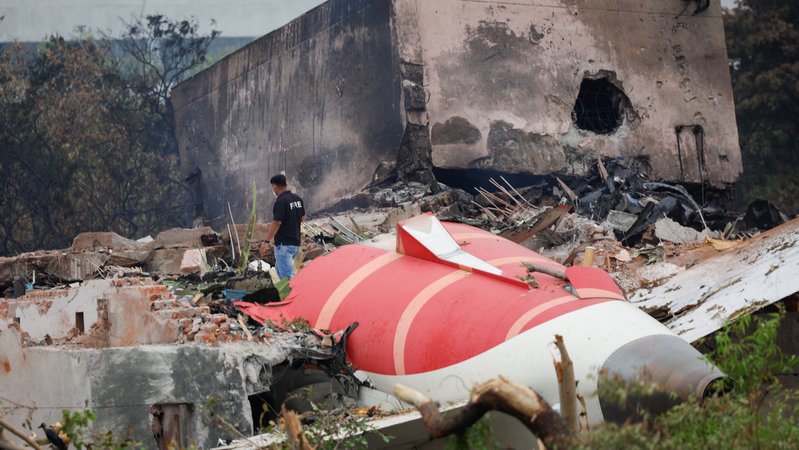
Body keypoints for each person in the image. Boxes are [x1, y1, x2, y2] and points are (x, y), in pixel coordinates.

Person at [266, 174, 305, 280]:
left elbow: (277, 223)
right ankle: (287, 295)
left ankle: (295, 296)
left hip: (284, 245)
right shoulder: (297, 199)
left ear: (275, 187)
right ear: (286, 184)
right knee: (279, 270)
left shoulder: (280, 201)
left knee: (287, 278)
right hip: (295, 244)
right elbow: (302, 217)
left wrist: (266, 241)